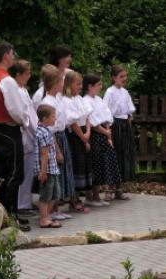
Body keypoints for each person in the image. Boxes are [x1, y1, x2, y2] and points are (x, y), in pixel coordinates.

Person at [0, 41, 29, 223]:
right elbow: (16, 110)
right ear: (5, 56)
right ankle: (12, 214)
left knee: (3, 171)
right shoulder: (6, 80)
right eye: (12, 53)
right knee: (15, 172)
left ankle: (2, 213)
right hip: (9, 129)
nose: (13, 57)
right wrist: (24, 121)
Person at [41, 66, 75, 218]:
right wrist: (58, 151)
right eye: (61, 81)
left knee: (61, 173)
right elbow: (49, 129)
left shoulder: (57, 99)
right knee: (55, 174)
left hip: (62, 135)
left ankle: (56, 208)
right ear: (55, 84)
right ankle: (51, 210)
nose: (63, 84)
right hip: (55, 138)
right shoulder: (48, 101)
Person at [83, 73, 121, 205]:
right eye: (98, 85)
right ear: (90, 86)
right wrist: (106, 132)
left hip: (104, 135)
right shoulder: (86, 100)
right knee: (95, 166)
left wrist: (108, 131)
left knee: (103, 165)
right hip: (95, 136)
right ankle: (92, 197)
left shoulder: (98, 100)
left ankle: (97, 196)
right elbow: (93, 122)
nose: (101, 87)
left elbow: (107, 116)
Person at [8, 60, 38, 222]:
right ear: (18, 75)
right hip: (25, 134)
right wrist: (35, 130)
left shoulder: (23, 90)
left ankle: (25, 202)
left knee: (28, 172)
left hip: (31, 134)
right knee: (23, 172)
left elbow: (31, 113)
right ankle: (21, 204)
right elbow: (24, 115)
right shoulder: (17, 91)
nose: (29, 76)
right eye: (27, 73)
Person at [62, 71, 95, 208]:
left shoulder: (79, 99)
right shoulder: (66, 100)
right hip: (74, 136)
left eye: (81, 83)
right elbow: (72, 122)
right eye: (78, 84)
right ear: (69, 84)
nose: (81, 86)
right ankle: (73, 198)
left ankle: (79, 196)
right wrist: (83, 138)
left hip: (84, 133)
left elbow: (87, 116)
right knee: (75, 165)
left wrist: (87, 132)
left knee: (83, 164)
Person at [103, 65, 136, 200]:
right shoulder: (109, 92)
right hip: (114, 125)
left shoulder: (125, 92)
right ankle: (108, 189)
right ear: (113, 78)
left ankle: (119, 188)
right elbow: (105, 112)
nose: (124, 79)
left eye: (125, 76)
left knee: (123, 156)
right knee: (114, 156)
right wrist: (107, 129)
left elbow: (129, 112)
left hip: (124, 126)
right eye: (121, 76)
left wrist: (129, 126)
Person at [34, 104, 62, 228]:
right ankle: (43, 219)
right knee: (46, 195)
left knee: (56, 194)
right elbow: (44, 153)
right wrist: (43, 171)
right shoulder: (42, 132)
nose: (55, 119)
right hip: (47, 170)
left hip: (53, 168)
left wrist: (57, 154)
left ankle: (45, 215)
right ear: (45, 118)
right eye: (53, 117)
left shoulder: (47, 130)